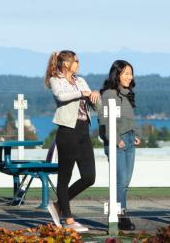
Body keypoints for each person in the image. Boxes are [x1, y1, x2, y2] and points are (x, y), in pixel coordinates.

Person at [44, 50, 101, 233]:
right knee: (64, 177)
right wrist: (81, 93)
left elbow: (93, 105)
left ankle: (58, 205)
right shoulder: (56, 80)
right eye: (75, 61)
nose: (78, 63)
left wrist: (94, 96)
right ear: (66, 63)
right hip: (67, 131)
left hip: (84, 131)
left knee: (89, 177)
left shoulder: (80, 80)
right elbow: (61, 97)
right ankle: (68, 219)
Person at [98, 60, 141, 231]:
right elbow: (104, 119)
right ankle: (121, 215)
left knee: (125, 182)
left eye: (131, 73)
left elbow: (131, 119)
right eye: (126, 74)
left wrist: (137, 134)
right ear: (117, 75)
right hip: (118, 141)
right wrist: (115, 139)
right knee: (120, 182)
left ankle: (120, 211)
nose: (129, 77)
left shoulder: (128, 93)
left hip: (129, 140)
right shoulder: (109, 94)